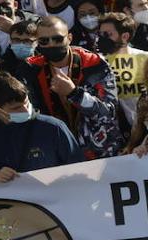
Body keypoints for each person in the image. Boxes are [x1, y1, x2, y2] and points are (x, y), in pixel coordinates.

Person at [17, 15, 122, 159]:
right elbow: (30, 113)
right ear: (37, 43)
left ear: (70, 38)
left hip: (98, 151)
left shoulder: (95, 64)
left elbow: (108, 112)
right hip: (56, 151)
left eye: (58, 39)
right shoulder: (30, 69)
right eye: (44, 41)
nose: (51, 44)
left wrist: (74, 93)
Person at [0, 71, 82, 181]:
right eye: (16, 108)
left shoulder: (54, 128)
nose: (25, 110)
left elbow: (79, 167)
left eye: (26, 103)